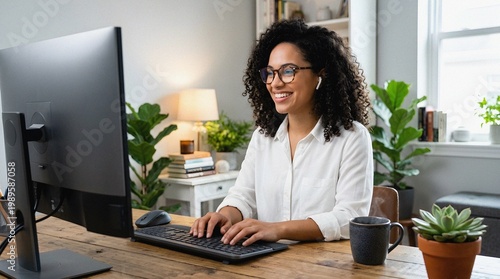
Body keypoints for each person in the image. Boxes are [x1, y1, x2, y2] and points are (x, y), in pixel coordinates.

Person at [190, 20, 373, 246]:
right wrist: (224, 215)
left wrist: (277, 230)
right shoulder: (263, 137)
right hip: (264, 262)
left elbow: (349, 218)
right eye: (270, 73)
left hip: (324, 265)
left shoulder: (352, 138)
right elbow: (243, 195)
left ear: (320, 75)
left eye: (288, 71)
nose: (275, 83)